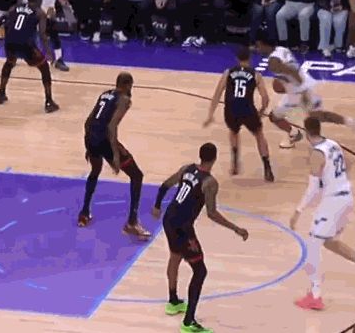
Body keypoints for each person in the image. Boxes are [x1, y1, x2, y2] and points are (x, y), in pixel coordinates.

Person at [153, 143, 249, 333]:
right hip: (182, 227)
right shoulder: (210, 183)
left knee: (175, 256)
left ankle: (173, 301)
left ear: (200, 156)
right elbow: (212, 213)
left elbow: (165, 185)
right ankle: (188, 321)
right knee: (200, 271)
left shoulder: (186, 168)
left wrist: (157, 206)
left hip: (169, 218)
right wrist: (236, 229)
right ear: (214, 159)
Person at [289, 117, 355, 310]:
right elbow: (348, 164)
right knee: (329, 241)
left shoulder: (317, 153)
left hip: (334, 202)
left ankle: (315, 295)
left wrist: (298, 211)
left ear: (306, 132)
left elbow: (312, 188)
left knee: (312, 245)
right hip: (347, 197)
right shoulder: (333, 145)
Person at [254, 32, 355, 149]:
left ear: (265, 44)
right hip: (298, 89)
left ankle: (354, 125)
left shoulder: (273, 62)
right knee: (314, 116)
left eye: (259, 46)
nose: (257, 49)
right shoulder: (281, 49)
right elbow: (290, 72)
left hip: (301, 91)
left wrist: (302, 90)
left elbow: (292, 71)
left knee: (314, 118)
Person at [78, 72, 152, 241]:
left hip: (90, 137)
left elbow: (88, 121)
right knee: (136, 175)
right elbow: (112, 127)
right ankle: (132, 223)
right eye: (131, 86)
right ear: (127, 85)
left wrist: (89, 145)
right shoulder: (124, 99)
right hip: (104, 139)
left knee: (95, 170)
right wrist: (116, 155)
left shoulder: (105, 94)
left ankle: (84, 213)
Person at [203, 46, 275, 182]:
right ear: (250, 58)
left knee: (233, 132)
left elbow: (217, 94)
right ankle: (267, 168)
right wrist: (261, 111)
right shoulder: (256, 74)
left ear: (237, 58)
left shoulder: (228, 73)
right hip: (248, 109)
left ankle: (235, 163)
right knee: (259, 135)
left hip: (231, 110)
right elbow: (265, 98)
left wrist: (210, 114)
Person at [0, 0, 59, 113]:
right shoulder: (39, 12)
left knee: (9, 63)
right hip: (25, 44)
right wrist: (48, 51)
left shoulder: (14, 8)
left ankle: (1, 93)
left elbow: (0, 20)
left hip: (10, 42)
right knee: (44, 68)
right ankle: (49, 101)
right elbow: (42, 34)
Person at [16, 0, 69, 71]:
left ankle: (59, 59)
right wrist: (20, 2)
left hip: (45, 1)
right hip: (28, 1)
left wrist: (52, 5)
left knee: (52, 29)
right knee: (21, 30)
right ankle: (18, 55)